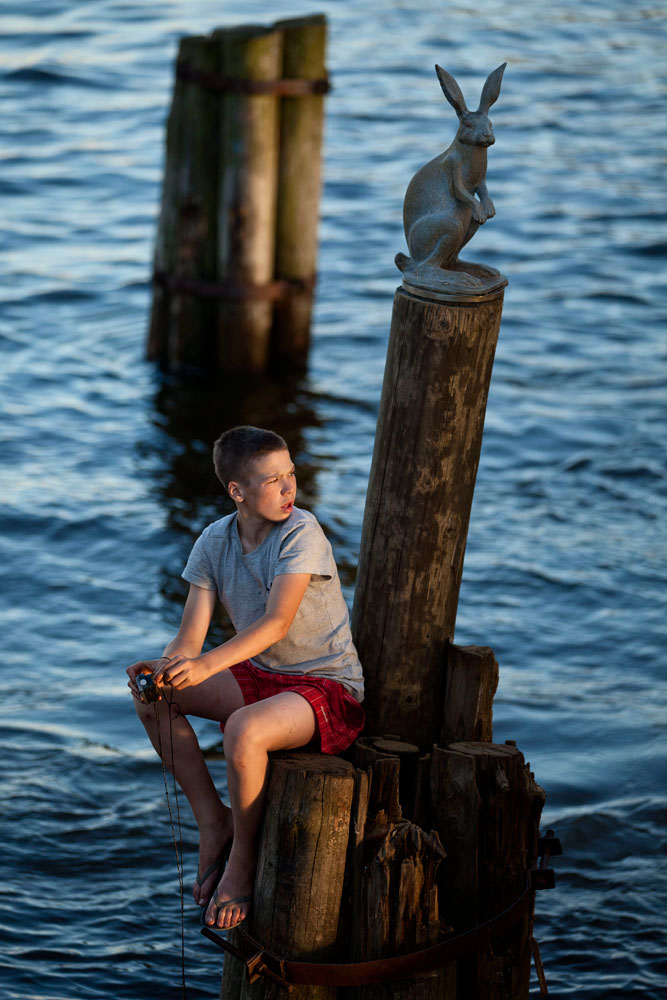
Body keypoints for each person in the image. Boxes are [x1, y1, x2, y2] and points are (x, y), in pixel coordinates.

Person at [127, 425, 364, 932]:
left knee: (244, 730)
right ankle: (214, 820)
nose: (288, 489)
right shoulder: (215, 540)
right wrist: (167, 669)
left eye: (291, 475)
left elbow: (275, 624)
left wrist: (208, 665)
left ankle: (243, 862)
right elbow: (189, 639)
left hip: (323, 686)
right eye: (272, 480)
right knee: (153, 699)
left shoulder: (302, 532)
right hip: (260, 675)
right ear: (237, 491)